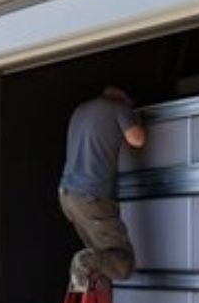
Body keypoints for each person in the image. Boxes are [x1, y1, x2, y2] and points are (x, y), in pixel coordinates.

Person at [58, 85, 147, 289]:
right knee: (122, 262)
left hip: (68, 196)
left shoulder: (81, 110)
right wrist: (134, 118)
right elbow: (137, 139)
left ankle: (85, 286)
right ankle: (85, 263)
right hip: (93, 196)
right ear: (124, 96)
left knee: (101, 259)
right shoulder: (118, 107)